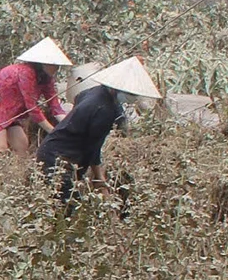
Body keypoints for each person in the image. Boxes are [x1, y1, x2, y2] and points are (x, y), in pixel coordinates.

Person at [39, 56, 159, 206]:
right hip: (58, 156)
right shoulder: (104, 110)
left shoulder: (96, 91)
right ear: (118, 89)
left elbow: (78, 98)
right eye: (131, 94)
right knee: (65, 207)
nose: (132, 99)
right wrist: (99, 180)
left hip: (54, 149)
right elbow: (93, 149)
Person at [0, 38, 71, 156]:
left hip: (10, 111)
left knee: (21, 145)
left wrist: (69, 125)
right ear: (44, 63)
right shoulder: (26, 72)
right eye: (54, 64)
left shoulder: (46, 79)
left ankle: (18, 173)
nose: (57, 68)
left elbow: (55, 106)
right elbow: (32, 107)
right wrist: (53, 131)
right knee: (0, 148)